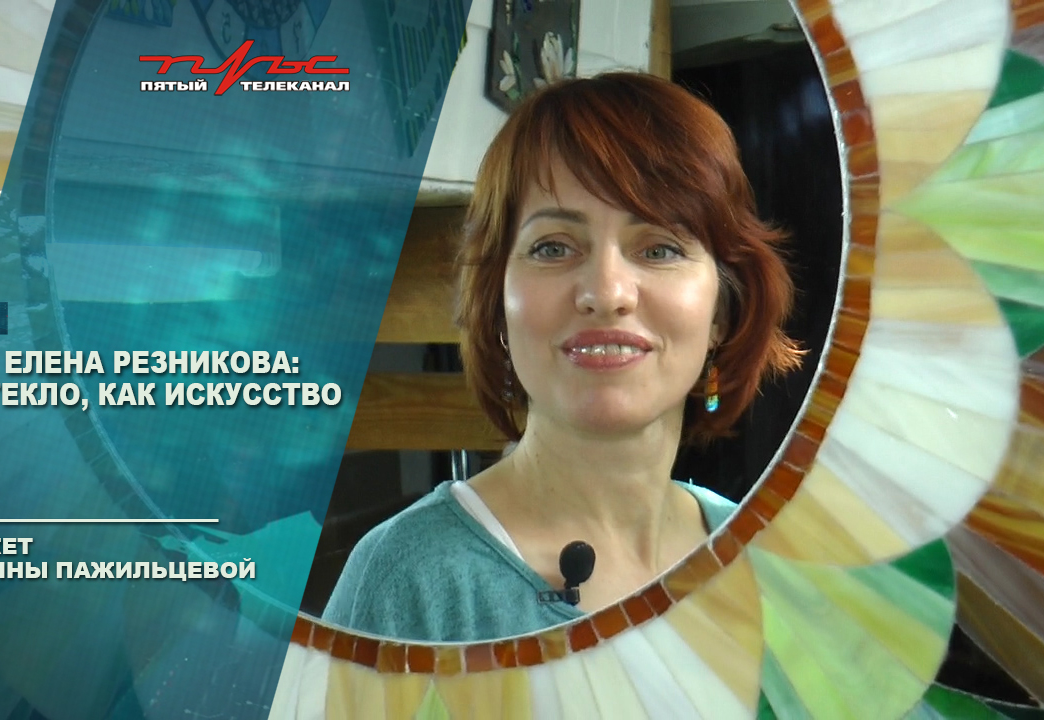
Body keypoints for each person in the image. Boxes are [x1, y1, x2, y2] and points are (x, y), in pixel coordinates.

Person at [323, 72, 802, 642]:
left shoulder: (767, 559)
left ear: (722, 310)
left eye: (659, 248)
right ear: (497, 305)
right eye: (553, 247)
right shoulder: (406, 583)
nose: (606, 292)